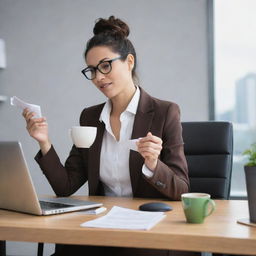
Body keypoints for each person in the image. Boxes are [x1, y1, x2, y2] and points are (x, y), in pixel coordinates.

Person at [23, 16, 192, 256]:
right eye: (91, 70)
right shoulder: (90, 117)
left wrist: (154, 164)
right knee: (66, 248)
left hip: (149, 229)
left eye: (105, 66)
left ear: (129, 62)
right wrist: (43, 141)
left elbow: (182, 190)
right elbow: (65, 186)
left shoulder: (165, 112)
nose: (98, 77)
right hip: (101, 226)